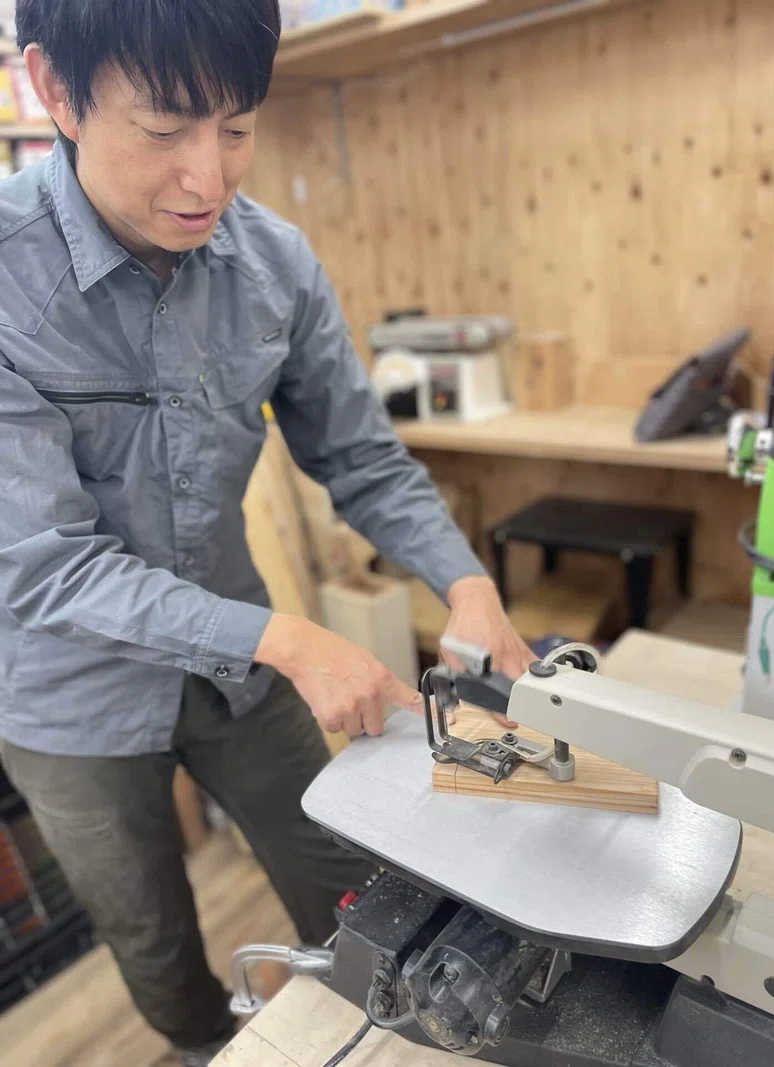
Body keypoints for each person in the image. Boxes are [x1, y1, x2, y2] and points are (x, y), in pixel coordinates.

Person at [0, 1, 533, 1063]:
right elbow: (45, 567)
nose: (208, 177)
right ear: (54, 89)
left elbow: (360, 456)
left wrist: (466, 584)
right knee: (153, 939)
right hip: (66, 692)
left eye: (237, 126)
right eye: (164, 129)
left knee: (351, 883)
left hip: (238, 665)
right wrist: (286, 636)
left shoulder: (272, 263)